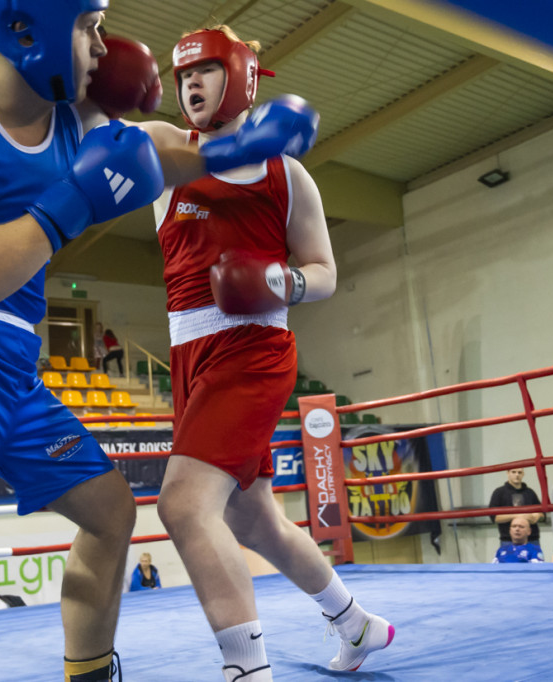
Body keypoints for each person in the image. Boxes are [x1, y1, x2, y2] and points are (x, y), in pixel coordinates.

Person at [0, 2, 319, 679]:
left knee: (109, 512)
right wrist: (75, 201)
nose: (104, 43)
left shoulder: (74, 112)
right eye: (87, 25)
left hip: (11, 372)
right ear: (26, 27)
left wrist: (243, 145)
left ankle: (89, 672)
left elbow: (154, 149)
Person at [149, 26, 392, 681]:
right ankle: (356, 624)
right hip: (188, 357)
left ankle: (247, 671)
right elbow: (98, 129)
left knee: (182, 505)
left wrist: (283, 280)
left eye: (204, 70)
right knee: (252, 517)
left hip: (254, 350)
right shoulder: (168, 152)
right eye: (182, 76)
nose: (190, 85)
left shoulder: (289, 176)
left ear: (240, 75)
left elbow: (325, 271)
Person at [489, 468, 545, 545]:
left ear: (523, 474)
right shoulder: (499, 493)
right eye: (514, 472)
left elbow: (542, 514)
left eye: (519, 472)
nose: (517, 475)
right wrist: (519, 516)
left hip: (532, 539)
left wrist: (536, 517)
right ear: (507, 473)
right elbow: (494, 517)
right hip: (508, 539)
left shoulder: (530, 492)